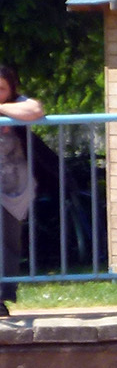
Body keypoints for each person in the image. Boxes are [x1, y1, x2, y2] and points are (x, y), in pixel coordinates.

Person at [0, 64, 47, 317]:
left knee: (8, 243)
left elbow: (35, 110)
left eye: (1, 89)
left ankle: (1, 298)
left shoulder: (17, 104)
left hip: (13, 189)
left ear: (11, 89)